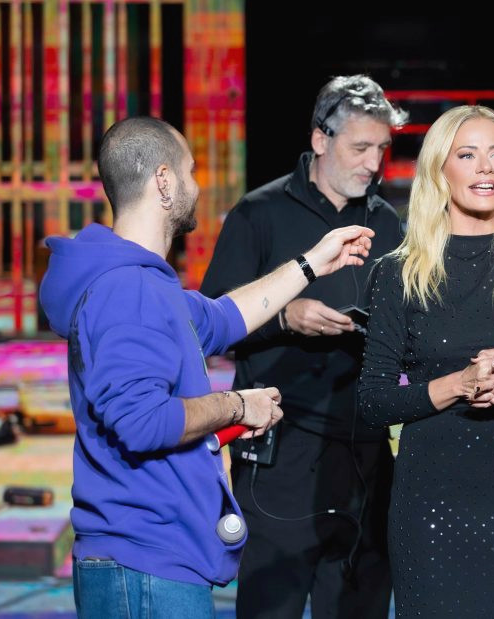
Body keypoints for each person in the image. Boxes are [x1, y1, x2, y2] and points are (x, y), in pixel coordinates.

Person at [38, 116, 374, 617]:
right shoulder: (127, 289)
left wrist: (311, 263)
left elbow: (225, 317)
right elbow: (143, 422)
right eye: (190, 171)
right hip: (144, 563)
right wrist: (238, 405)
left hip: (153, 561)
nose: (197, 186)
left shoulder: (147, 285)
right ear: (164, 181)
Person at [357, 105, 494, 618]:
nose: (485, 168)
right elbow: (373, 402)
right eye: (467, 155)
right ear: (440, 170)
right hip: (429, 502)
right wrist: (456, 385)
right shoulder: (398, 274)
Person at [199, 75, 406, 618]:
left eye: (382, 149)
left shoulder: (387, 224)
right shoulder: (258, 213)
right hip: (279, 454)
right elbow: (210, 323)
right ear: (320, 139)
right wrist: (284, 317)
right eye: (360, 148)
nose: (373, 163)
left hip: (365, 454)